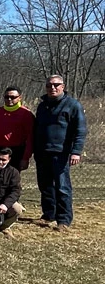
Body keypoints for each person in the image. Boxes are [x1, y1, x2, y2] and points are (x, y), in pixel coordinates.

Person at [34, 75, 87, 231]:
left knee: (62, 187)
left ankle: (63, 219)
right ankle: (49, 214)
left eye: (56, 85)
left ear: (63, 86)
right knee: (45, 185)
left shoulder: (72, 105)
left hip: (61, 153)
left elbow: (81, 130)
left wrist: (76, 151)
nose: (53, 88)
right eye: (49, 85)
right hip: (42, 152)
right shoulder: (42, 106)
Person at [0, 86, 34, 171]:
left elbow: (30, 138)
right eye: (7, 97)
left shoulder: (26, 114)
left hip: (16, 151)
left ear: (19, 98)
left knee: (11, 179)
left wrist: (26, 158)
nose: (9, 99)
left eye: (13, 97)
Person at [0, 147, 26, 236]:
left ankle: (4, 227)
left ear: (9, 159)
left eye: (4, 160)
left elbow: (15, 191)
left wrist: (5, 204)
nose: (0, 162)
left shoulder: (13, 172)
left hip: (4, 204)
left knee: (17, 209)